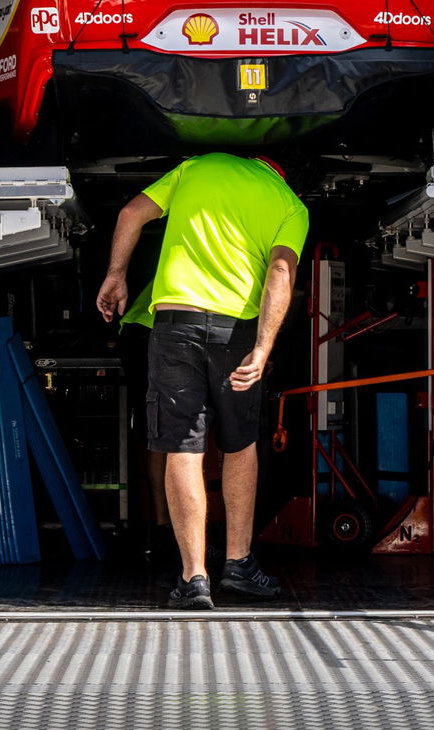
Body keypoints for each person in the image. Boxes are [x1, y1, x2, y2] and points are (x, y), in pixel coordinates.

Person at [97, 152, 308, 610]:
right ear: (276, 171)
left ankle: (194, 577)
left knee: (183, 446)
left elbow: (130, 212)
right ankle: (238, 563)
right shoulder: (290, 204)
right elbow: (279, 272)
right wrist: (265, 346)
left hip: (176, 322)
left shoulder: (196, 168)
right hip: (238, 330)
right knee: (239, 443)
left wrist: (116, 275)